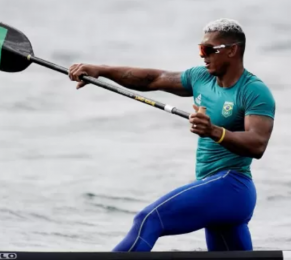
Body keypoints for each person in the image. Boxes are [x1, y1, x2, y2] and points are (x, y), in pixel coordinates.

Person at [68, 18, 275, 252]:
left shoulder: (253, 91)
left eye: (208, 50)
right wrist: (100, 71)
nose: (202, 55)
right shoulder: (201, 78)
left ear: (232, 50)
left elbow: (257, 144)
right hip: (213, 189)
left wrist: (213, 131)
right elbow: (153, 79)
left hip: (233, 187)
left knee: (148, 220)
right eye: (200, 49)